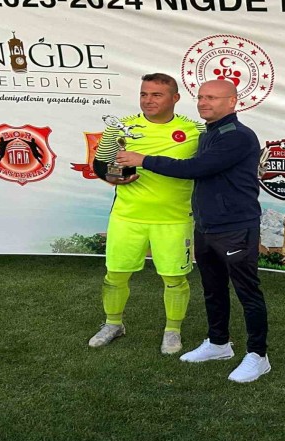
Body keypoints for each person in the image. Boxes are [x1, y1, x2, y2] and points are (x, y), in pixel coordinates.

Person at [116, 79, 270, 383]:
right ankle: (218, 344)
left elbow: (195, 169)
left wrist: (143, 160)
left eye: (212, 98)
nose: (203, 103)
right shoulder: (209, 133)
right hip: (206, 225)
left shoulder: (238, 135)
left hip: (236, 227)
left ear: (232, 102)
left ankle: (258, 355)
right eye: (200, 97)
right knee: (213, 289)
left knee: (247, 292)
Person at [87, 73, 205, 355]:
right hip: (127, 216)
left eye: (156, 95)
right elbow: (100, 163)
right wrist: (112, 176)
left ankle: (173, 331)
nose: (148, 100)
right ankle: (113, 324)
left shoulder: (196, 130)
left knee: (174, 279)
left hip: (174, 218)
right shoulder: (121, 127)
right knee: (115, 275)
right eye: (144, 94)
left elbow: (211, 164)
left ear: (175, 98)